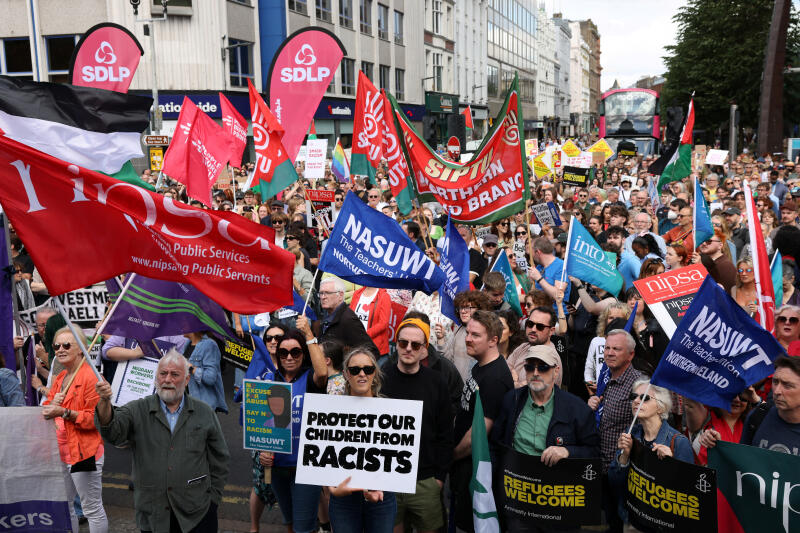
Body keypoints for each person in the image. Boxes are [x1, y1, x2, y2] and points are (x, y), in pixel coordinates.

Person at [95, 350, 229, 532]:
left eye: (175, 374)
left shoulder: (204, 412)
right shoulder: (137, 409)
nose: (168, 380)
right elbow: (112, 432)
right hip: (153, 514)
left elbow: (219, 459)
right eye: (163, 374)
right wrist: (104, 402)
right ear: (156, 377)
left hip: (197, 514)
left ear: (187, 380)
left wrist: (213, 500)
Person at [382, 319, 453, 533]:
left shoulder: (437, 382)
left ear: (424, 349)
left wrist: (439, 478)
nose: (409, 349)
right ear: (397, 344)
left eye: (416, 345)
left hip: (425, 480)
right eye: (403, 343)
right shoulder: (381, 378)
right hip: (388, 479)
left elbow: (445, 432)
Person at [262, 319, 328, 533]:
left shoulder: (310, 378)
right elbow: (262, 422)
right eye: (283, 353)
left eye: (296, 352)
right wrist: (262, 450)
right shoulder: (271, 380)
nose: (289, 357)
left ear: (303, 354)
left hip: (306, 468)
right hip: (277, 467)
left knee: (303, 527)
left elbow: (323, 373)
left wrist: (308, 333)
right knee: (289, 523)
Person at [451, 311, 514, 533]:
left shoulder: (496, 378)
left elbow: (478, 435)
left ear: (493, 340)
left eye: (475, 335)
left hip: (474, 467)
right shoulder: (480, 365)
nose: (468, 338)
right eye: (468, 332)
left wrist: (452, 456)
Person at [41, 327, 108, 533]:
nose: (60, 349)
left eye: (66, 345)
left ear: (81, 349)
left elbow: (94, 420)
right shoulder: (61, 376)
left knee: (91, 509)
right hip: (61, 452)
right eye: (56, 346)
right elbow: (47, 409)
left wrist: (65, 411)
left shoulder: (91, 377)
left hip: (84, 452)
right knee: (65, 504)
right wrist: (52, 405)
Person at [492, 344, 600, 463]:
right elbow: (496, 444)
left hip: (555, 479)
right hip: (515, 477)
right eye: (530, 367)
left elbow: (594, 451)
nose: (535, 373)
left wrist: (568, 451)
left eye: (543, 367)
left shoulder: (578, 409)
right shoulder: (512, 400)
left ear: (556, 371)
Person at [328, 347, 397, 533]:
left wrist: (380, 484)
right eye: (354, 370)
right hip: (343, 498)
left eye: (367, 369)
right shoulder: (329, 411)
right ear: (345, 374)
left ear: (375, 373)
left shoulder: (391, 412)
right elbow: (319, 454)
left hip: (381, 498)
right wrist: (332, 490)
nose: (361, 374)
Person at [609, 380, 694, 529]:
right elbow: (615, 482)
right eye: (634, 396)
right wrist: (624, 457)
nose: (636, 401)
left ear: (660, 408)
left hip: (663, 526)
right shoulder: (631, 434)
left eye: (644, 398)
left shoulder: (679, 442)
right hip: (632, 522)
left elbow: (689, 496)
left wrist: (671, 464)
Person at [586, 329, 642, 533]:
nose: (609, 353)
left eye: (616, 349)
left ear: (630, 354)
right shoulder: (604, 377)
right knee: (611, 522)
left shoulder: (639, 384)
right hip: (602, 467)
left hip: (624, 471)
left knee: (624, 523)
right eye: (607, 348)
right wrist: (591, 405)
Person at [505, 306, 570, 390]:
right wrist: (516, 382)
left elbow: (528, 390)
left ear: (551, 331)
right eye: (530, 324)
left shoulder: (549, 358)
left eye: (540, 326)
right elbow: (504, 371)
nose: (533, 329)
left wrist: (513, 381)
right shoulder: (523, 346)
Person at [442, 290, 492, 383]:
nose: (463, 311)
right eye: (461, 307)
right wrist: (441, 340)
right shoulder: (458, 329)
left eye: (468, 308)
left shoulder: (486, 332)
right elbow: (448, 360)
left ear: (479, 309)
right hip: (456, 387)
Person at [318, 278, 378, 355]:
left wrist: (347, 363)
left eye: (327, 293)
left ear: (340, 295)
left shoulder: (348, 319)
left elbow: (371, 351)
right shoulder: (327, 316)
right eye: (321, 293)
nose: (323, 297)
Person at [182, 331, 227, 413]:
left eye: (184, 324)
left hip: (203, 405)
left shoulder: (210, 345)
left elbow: (210, 378)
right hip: (187, 403)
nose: (181, 327)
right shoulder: (188, 344)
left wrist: (191, 368)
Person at [349, 286, 392, 358]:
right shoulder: (357, 293)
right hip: (355, 345)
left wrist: (364, 335)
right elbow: (350, 316)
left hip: (375, 348)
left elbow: (383, 323)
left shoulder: (384, 296)